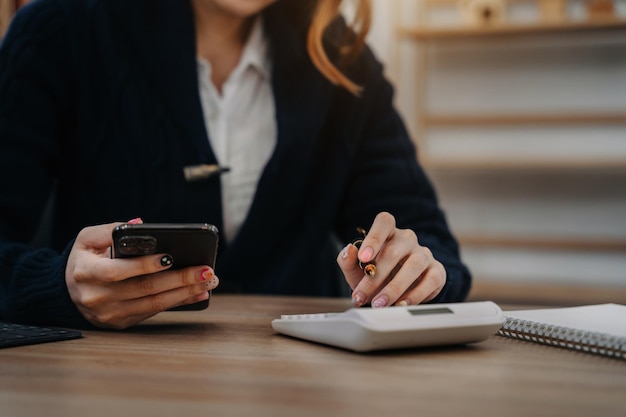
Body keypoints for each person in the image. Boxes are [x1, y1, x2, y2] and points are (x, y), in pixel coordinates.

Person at [0, 0, 471, 330]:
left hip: (301, 385)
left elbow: (433, 248)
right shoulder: (59, 31)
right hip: (111, 382)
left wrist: (415, 271)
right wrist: (58, 286)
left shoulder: (343, 59)